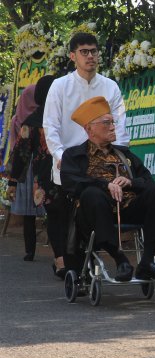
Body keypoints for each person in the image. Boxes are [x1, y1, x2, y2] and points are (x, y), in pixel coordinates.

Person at [61, 96, 155, 281]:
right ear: (89, 128)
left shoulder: (124, 154)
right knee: (91, 194)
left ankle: (146, 262)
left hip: (128, 207)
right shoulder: (74, 156)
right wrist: (105, 185)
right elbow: (71, 183)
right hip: (95, 212)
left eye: (113, 122)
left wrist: (130, 182)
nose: (113, 127)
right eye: (107, 123)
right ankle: (120, 259)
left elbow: (147, 180)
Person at [43, 32, 129, 271]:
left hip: (103, 163)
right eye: (84, 52)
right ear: (73, 56)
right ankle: (68, 263)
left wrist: (119, 159)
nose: (90, 56)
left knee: (95, 211)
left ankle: (90, 263)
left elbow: (120, 127)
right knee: (66, 216)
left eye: (93, 51)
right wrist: (61, 157)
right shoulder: (60, 87)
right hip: (70, 163)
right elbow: (51, 126)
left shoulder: (109, 86)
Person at [8, 76, 67, 277]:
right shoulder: (64, 118)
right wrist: (13, 181)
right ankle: (62, 258)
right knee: (62, 215)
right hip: (60, 176)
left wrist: (13, 182)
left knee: (56, 216)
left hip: (47, 178)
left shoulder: (32, 122)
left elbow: (21, 155)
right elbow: (21, 154)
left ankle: (62, 259)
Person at [6, 84, 45, 262]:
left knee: (29, 214)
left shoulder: (20, 120)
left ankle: (30, 251)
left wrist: (13, 180)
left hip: (23, 168)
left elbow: (16, 147)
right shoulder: (46, 116)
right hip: (39, 167)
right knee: (50, 210)